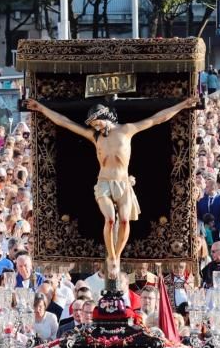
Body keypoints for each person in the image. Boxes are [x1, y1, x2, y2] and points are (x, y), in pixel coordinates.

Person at [25, 96, 197, 275]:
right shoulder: (95, 136)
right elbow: (65, 123)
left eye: (97, 123)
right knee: (110, 219)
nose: (95, 127)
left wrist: (183, 105)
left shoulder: (127, 130)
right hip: (104, 183)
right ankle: (112, 257)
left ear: (105, 117)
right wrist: (41, 108)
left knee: (123, 220)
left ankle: (117, 256)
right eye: (93, 125)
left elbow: (157, 119)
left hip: (123, 183)